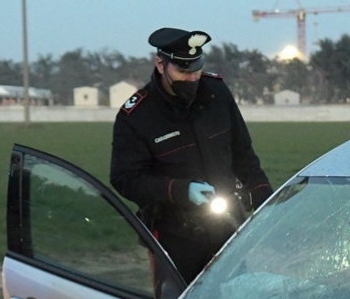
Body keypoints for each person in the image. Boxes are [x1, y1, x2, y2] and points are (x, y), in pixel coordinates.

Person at [110, 27, 271, 281]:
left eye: (196, 69)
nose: (192, 78)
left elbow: (242, 151)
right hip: (175, 236)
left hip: (227, 226)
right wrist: (180, 190)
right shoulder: (137, 115)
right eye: (183, 71)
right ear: (160, 64)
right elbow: (125, 178)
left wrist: (263, 194)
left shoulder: (217, 93)